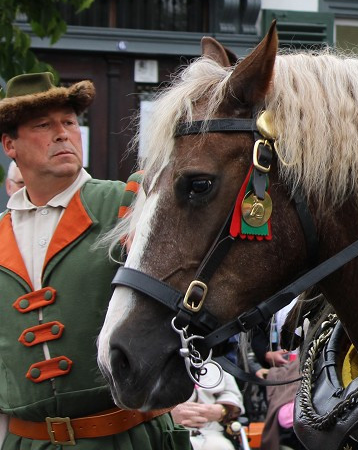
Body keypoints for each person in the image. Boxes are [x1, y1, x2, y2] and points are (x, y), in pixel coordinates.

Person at [0, 72, 190, 449]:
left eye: (69, 122)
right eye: (43, 125)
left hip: (127, 439)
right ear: (10, 145)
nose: (63, 133)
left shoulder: (128, 204)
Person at [171, 372, 244, 450]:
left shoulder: (217, 363)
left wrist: (223, 410)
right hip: (169, 433)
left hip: (211, 432)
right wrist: (167, 414)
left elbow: (232, 393)